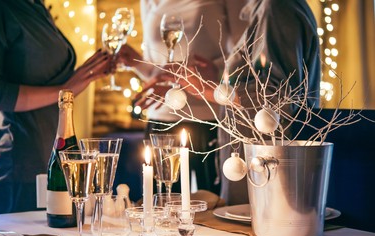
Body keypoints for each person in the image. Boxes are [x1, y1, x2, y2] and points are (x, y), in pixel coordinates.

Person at [170, 0, 321, 205]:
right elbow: (265, 81)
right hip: (257, 163)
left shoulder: (276, 7)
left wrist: (207, 91)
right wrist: (218, 80)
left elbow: (275, 97)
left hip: (266, 168)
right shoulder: (270, 8)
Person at [0, 0, 112, 214]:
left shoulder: (37, 5)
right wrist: (64, 89)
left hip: (54, 167)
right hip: (17, 173)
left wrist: (83, 77)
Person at [117, 0, 245, 195]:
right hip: (161, 117)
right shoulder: (148, 2)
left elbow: (243, 51)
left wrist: (217, 73)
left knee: (210, 201)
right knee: (160, 201)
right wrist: (137, 63)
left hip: (205, 116)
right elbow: (159, 69)